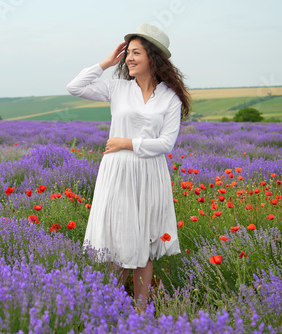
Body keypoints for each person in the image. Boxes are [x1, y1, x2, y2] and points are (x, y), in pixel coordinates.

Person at [66, 23, 191, 311]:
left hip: (150, 173)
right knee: (117, 243)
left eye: (136, 52)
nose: (129, 58)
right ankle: (106, 308)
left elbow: (166, 144)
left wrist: (126, 142)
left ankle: (140, 313)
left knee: (144, 245)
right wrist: (106, 63)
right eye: (128, 53)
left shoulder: (169, 97)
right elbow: (75, 87)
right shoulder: (118, 88)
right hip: (118, 173)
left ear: (153, 57)